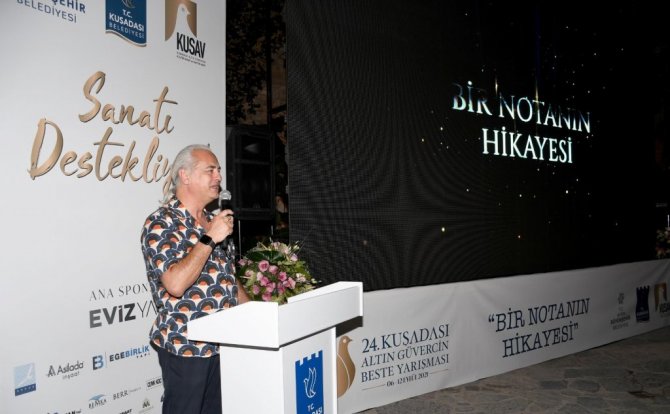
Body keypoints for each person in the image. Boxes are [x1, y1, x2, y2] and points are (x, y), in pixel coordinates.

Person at [140, 144, 250, 414]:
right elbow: (175, 284)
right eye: (210, 170)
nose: (219, 177)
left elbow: (227, 278)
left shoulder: (215, 221)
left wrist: (255, 312)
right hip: (187, 348)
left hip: (223, 344)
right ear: (185, 175)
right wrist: (210, 237)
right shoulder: (162, 222)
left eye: (219, 170)